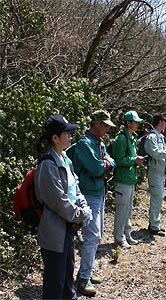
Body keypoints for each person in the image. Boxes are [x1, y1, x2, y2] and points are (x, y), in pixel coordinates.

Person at [34, 115, 92, 300]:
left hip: (67, 228)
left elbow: (75, 188)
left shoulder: (65, 159)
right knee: (55, 282)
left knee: (67, 277)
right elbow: (59, 202)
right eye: (66, 133)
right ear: (55, 138)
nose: (70, 136)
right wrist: (81, 215)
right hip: (53, 230)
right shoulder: (47, 165)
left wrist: (84, 208)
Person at [72, 110, 116, 296]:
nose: (107, 128)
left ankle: (86, 272)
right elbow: (96, 168)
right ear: (96, 123)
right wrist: (107, 164)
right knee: (92, 236)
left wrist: (107, 163)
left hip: (98, 192)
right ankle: (83, 278)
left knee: (96, 235)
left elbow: (109, 161)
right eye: (105, 124)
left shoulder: (98, 143)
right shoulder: (85, 144)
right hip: (88, 194)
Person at [112, 111, 145, 248]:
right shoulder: (121, 139)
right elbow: (119, 160)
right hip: (123, 180)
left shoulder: (133, 137)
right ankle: (119, 238)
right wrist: (134, 160)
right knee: (122, 210)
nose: (137, 124)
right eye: (135, 122)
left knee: (129, 210)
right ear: (128, 123)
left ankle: (127, 234)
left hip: (130, 179)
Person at [144, 113, 166, 236]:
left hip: (160, 172)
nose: (165, 125)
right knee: (156, 199)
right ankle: (154, 227)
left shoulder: (160, 137)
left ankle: (154, 223)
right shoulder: (151, 137)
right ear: (160, 122)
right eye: (164, 122)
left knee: (158, 199)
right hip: (155, 172)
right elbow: (155, 153)